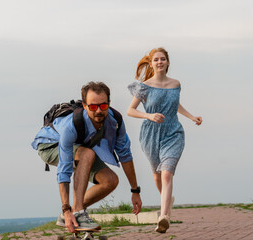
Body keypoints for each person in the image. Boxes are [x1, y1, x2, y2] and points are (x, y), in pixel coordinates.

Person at [32, 81, 142, 233]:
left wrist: (135, 191)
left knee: (110, 181)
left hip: (80, 150)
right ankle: (77, 213)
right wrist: (65, 208)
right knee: (87, 153)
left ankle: (74, 213)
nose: (98, 111)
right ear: (84, 106)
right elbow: (65, 169)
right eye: (93, 106)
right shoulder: (71, 126)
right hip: (49, 144)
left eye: (103, 106)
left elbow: (125, 155)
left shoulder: (115, 121)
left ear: (109, 103)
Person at [127, 47, 202, 233]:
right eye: (156, 60)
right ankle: (167, 201)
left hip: (173, 133)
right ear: (151, 63)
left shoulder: (176, 84)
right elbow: (131, 110)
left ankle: (164, 216)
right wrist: (149, 116)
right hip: (150, 135)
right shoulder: (144, 86)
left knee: (167, 173)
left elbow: (175, 104)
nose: (159, 62)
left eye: (163, 59)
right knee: (157, 174)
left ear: (167, 62)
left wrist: (191, 117)